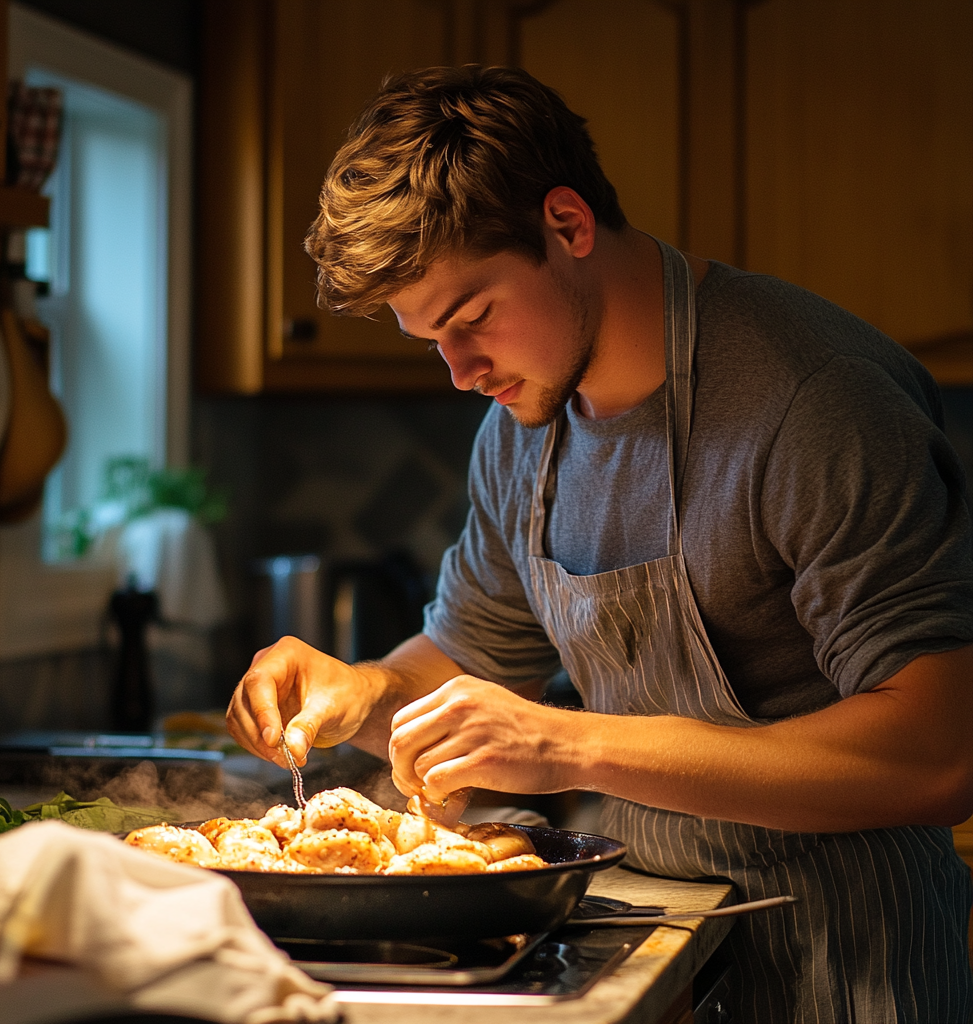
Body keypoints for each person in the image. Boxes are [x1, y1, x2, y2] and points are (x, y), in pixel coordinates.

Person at [227, 65, 973, 1022]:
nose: (458, 372)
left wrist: (567, 743)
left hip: (847, 968)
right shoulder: (522, 428)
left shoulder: (813, 402)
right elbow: (464, 665)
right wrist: (365, 691)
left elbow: (940, 752)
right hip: (651, 951)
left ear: (568, 226)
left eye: (471, 319)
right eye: (429, 340)